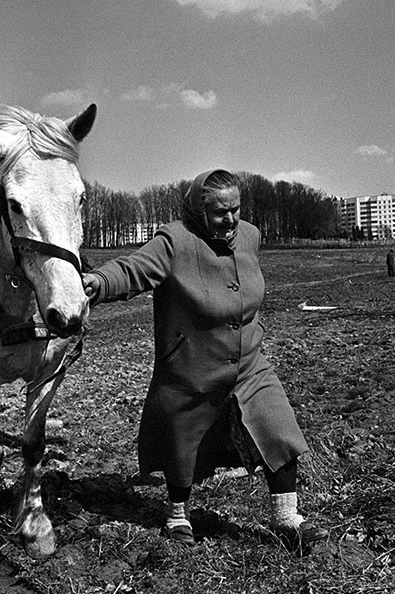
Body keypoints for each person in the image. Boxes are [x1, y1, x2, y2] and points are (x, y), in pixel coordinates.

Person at [82, 169, 328, 549]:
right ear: (198, 210)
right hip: (191, 367)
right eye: (219, 213)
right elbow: (133, 269)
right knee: (182, 446)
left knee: (279, 429)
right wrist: (98, 282)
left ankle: (287, 521)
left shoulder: (250, 236)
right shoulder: (175, 241)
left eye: (236, 209)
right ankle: (178, 515)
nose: (230, 219)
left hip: (248, 363)